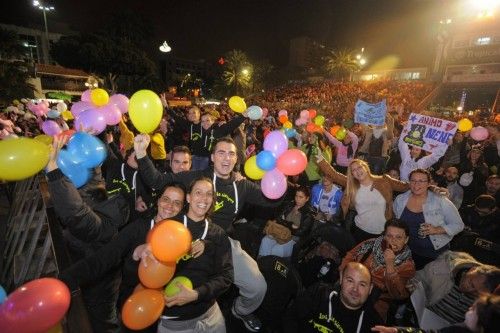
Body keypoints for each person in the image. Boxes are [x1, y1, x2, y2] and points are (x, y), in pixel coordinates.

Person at [135, 135, 282, 332]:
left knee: (257, 287)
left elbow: (272, 201)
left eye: (231, 154)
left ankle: (239, 311)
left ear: (236, 159)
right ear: (212, 157)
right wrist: (141, 153)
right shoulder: (197, 177)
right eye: (221, 153)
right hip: (186, 240)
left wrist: (278, 175)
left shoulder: (242, 185)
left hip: (221, 241)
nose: (226, 158)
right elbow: (157, 180)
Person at [59, 183, 186, 332]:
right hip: (133, 302)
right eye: (166, 199)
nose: (170, 206)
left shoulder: (183, 235)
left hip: (164, 308)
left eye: (177, 203)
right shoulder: (138, 227)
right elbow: (105, 257)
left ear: (182, 207)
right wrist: (67, 279)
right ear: (158, 201)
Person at [46, 136, 130, 333]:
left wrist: (55, 174)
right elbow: (93, 185)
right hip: (90, 274)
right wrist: (88, 151)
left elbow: (76, 214)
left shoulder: (101, 227)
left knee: (102, 322)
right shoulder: (102, 204)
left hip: (99, 284)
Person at [150, 177, 233, 333]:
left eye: (209, 194)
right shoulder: (168, 227)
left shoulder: (218, 234)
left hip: (210, 316)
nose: (203, 198)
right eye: (198, 192)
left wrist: (196, 294)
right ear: (188, 197)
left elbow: (226, 276)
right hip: (176, 323)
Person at [316, 156, 409, 242]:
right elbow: (334, 175)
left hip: (382, 232)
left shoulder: (384, 181)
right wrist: (321, 160)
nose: (357, 171)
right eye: (353, 170)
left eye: (359, 167)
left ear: (366, 167)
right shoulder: (352, 185)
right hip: (359, 230)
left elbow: (406, 186)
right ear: (352, 174)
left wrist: (420, 180)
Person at [340, 219, 416, 321]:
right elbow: (350, 256)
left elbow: (398, 295)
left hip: (376, 302)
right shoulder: (371, 244)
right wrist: (344, 274)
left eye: (398, 237)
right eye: (389, 236)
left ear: (406, 239)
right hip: (353, 286)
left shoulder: (407, 265)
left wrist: (390, 266)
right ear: (384, 236)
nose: (393, 241)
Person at [393, 169, 464, 269]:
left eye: (421, 181)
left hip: (436, 254)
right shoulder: (400, 199)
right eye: (413, 180)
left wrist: (437, 230)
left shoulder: (440, 200)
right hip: (409, 252)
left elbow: (458, 225)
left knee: (433, 284)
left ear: (428, 183)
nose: (416, 184)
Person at [284, 262, 383, 333]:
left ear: (370, 289)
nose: (355, 289)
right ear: (341, 279)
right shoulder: (318, 294)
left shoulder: (374, 325)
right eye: (350, 281)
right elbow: (290, 318)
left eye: (362, 284)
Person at [406, 251, 500, 325]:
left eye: (477, 293)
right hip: (419, 320)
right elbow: (418, 279)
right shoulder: (443, 267)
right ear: (472, 269)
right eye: (471, 283)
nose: (469, 290)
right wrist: (413, 285)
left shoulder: (491, 302)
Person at [371, 293, 500, 333]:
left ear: (483, 322)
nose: (469, 309)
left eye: (473, 309)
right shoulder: (459, 329)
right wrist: (398, 331)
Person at [259, 186, 314, 258]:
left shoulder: (308, 214)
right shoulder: (290, 205)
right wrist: (290, 225)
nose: (297, 199)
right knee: (265, 241)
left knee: (276, 250)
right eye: (296, 196)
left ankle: (269, 266)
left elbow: (300, 232)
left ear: (307, 198)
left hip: (292, 238)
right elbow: (279, 218)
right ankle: (261, 264)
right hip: (280, 231)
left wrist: (285, 222)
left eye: (301, 197)